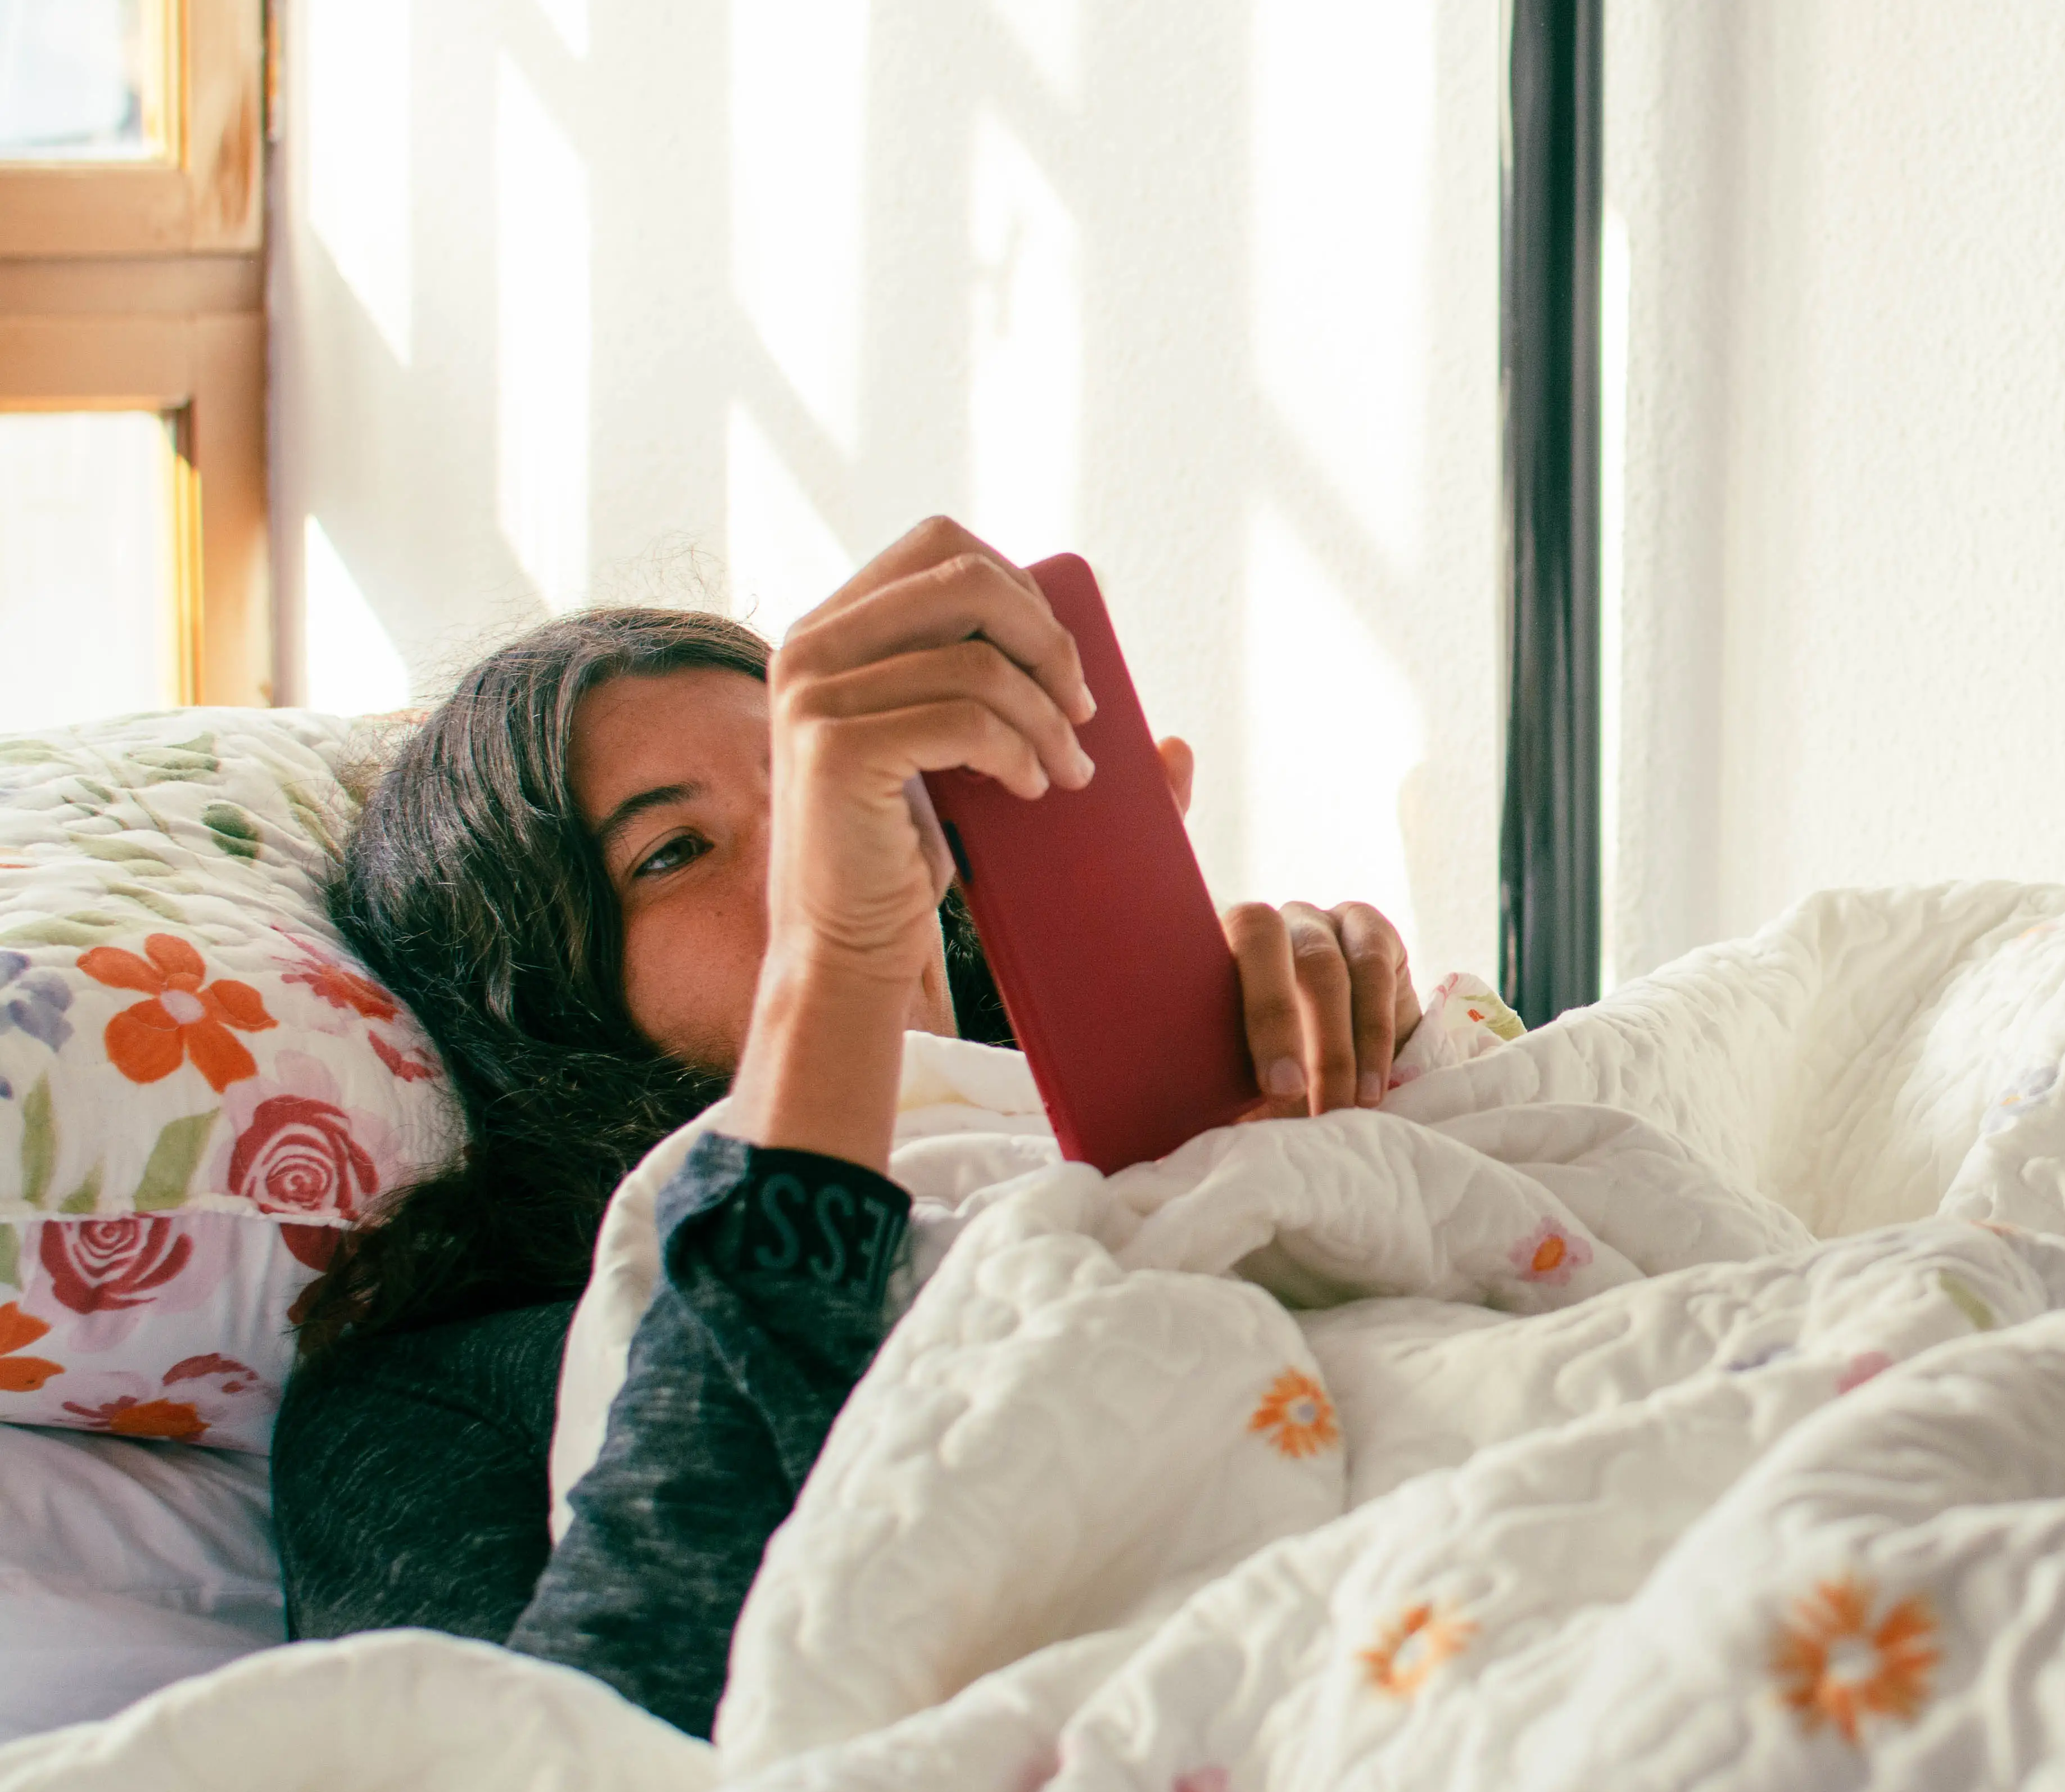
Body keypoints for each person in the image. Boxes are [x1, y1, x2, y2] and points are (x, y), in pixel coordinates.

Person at [274, 520, 1424, 1731]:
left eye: (817, 800)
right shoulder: (425, 1395)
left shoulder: (1104, 1125)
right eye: (676, 850)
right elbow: (567, 1786)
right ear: (537, 1004)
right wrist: (833, 976)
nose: (814, 866)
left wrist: (1343, 1074)